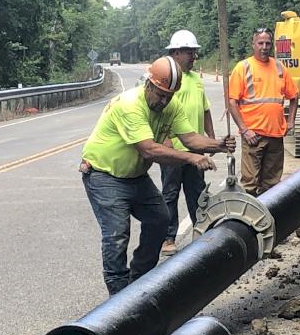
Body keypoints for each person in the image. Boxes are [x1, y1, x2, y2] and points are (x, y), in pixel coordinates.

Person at [80, 56, 236, 295]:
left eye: (169, 96)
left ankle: (139, 278)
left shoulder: (171, 105)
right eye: (161, 94)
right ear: (149, 85)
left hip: (135, 175)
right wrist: (191, 158)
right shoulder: (131, 105)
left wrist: (219, 144)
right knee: (117, 233)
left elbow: (189, 138)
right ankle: (118, 294)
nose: (164, 101)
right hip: (104, 175)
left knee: (160, 219)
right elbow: (149, 150)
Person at [159, 30, 214, 255]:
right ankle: (168, 238)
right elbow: (159, 112)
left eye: (194, 52)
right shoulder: (169, 79)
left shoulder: (196, 80)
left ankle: (202, 232)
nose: (194, 56)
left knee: (197, 194)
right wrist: (165, 141)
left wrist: (211, 139)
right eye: (190, 52)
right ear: (176, 53)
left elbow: (205, 109)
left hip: (195, 150)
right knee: (170, 194)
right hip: (173, 151)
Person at [228, 28, 299, 196]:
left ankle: (268, 211)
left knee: (272, 184)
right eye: (260, 43)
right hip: (253, 136)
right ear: (253, 44)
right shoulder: (243, 68)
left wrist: (290, 121)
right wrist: (245, 130)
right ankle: (250, 212)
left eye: (267, 43)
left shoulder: (279, 67)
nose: (264, 47)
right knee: (250, 184)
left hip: (275, 136)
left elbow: (294, 96)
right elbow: (232, 102)